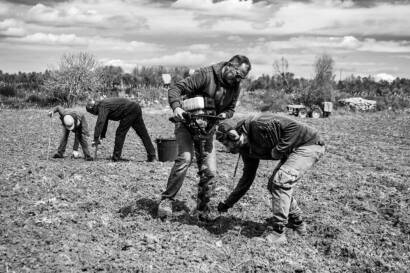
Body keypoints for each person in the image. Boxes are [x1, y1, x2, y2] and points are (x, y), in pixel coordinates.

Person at [157, 55, 252, 220]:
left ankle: (202, 209)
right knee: (185, 159)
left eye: (241, 78)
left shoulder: (234, 86)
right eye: (237, 75)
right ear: (229, 66)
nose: (238, 80)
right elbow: (175, 89)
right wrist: (177, 107)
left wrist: (224, 114)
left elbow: (230, 109)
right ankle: (166, 201)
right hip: (187, 124)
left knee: (211, 171)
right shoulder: (206, 75)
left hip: (208, 128)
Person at [215, 112, 325, 243]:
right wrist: (228, 203)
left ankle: (278, 233)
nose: (228, 148)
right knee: (274, 185)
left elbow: (292, 127)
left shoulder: (258, 124)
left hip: (309, 144)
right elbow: (247, 179)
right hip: (292, 151)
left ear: (233, 135)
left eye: (227, 143)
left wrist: (278, 150)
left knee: (281, 180)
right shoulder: (245, 149)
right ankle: (297, 224)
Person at [85, 97, 156, 162]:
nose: (94, 114)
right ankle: (152, 156)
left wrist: (95, 138)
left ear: (92, 108)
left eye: (92, 112)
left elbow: (100, 122)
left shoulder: (102, 106)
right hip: (135, 108)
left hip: (129, 110)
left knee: (120, 133)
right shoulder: (103, 105)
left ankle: (116, 158)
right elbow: (104, 122)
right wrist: (102, 136)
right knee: (143, 133)